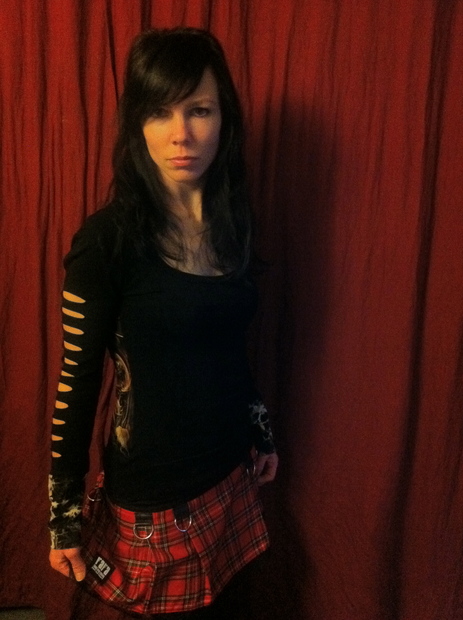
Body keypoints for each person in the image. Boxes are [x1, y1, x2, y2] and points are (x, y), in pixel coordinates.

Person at [48, 27, 278, 617]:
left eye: (199, 110)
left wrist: (261, 429)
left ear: (224, 119)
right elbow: (76, 382)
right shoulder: (106, 243)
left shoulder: (233, 224)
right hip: (155, 495)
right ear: (137, 125)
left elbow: (229, 347)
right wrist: (63, 517)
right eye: (159, 112)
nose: (181, 134)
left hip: (231, 471)